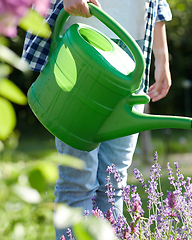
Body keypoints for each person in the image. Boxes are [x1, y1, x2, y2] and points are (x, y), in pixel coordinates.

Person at [22, 0, 172, 238]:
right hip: (81, 42)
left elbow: (158, 4)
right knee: (77, 180)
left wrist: (162, 56)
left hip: (135, 47)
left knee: (113, 184)